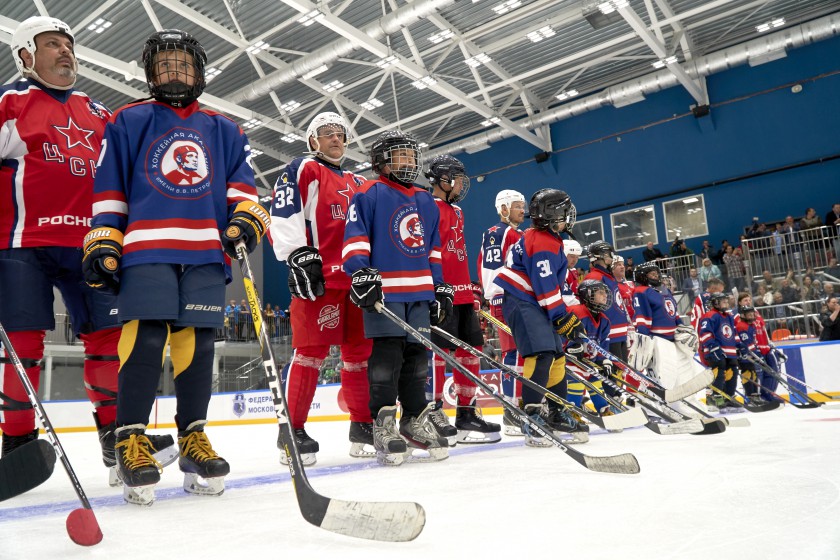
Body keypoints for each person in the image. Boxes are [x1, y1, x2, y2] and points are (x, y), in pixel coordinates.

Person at [82, 29, 266, 504]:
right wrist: (104, 237)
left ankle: (191, 437)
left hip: (205, 251)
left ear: (200, 71)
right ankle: (131, 439)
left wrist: (246, 219)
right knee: (144, 337)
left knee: (198, 344)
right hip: (145, 248)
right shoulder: (128, 120)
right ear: (149, 73)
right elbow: (109, 190)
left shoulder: (225, 128)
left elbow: (242, 190)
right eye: (164, 65)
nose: (174, 72)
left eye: (183, 64)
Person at [0, 17, 177, 482]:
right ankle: (16, 442)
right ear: (24, 55)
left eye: (69, 45)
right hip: (22, 243)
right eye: (52, 45)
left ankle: (115, 436)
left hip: (92, 245)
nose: (65, 52)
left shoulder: (97, 111)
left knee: (107, 340)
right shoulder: (10, 103)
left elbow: (123, 175)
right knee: (23, 343)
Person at [268, 111, 373, 465]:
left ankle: (362, 424)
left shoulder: (359, 181)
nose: (336, 139)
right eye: (327, 133)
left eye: (340, 134)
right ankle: (292, 431)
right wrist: (297, 253)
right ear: (313, 141)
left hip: (355, 280)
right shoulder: (305, 169)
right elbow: (284, 208)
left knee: (359, 356)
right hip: (320, 279)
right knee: (310, 353)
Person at [342, 130, 452, 467]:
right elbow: (355, 239)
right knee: (387, 359)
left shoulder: (425, 201)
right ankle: (383, 423)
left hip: (418, 293)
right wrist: (360, 273)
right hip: (384, 293)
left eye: (410, 156)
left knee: (417, 359)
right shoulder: (369, 193)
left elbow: (433, 250)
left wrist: (440, 288)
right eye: (399, 156)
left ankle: (413, 419)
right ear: (381, 163)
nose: (407, 162)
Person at [493, 189, 589, 446]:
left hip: (531, 301)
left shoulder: (544, 237)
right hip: (523, 302)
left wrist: (563, 316)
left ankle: (557, 412)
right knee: (542, 354)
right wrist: (561, 316)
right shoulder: (543, 242)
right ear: (553, 215)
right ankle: (532, 416)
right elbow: (545, 286)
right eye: (564, 211)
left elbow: (548, 289)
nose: (569, 216)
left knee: (556, 356)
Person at [423, 155, 500, 445]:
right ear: (443, 180)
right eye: (457, 178)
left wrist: (472, 287)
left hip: (463, 293)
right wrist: (434, 287)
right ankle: (432, 413)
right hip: (440, 293)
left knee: (472, 351)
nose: (460, 185)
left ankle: (466, 414)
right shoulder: (427, 207)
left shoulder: (458, 211)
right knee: (439, 353)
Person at [477, 189, 526, 434]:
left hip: (515, 299)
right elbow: (492, 269)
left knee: (523, 353)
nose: (522, 210)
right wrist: (496, 296)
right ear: (504, 208)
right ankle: (511, 410)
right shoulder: (500, 232)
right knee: (513, 353)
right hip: (506, 299)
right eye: (517, 205)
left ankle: (521, 405)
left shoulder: (517, 233)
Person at [628, 262, 705, 414]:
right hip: (658, 340)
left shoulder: (664, 292)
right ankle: (651, 408)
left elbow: (674, 315)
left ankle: (687, 406)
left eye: (657, 273)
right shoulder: (641, 292)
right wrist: (644, 340)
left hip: (674, 340)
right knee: (664, 376)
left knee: (684, 374)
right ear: (643, 277)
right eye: (652, 274)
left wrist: (682, 329)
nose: (656, 277)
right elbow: (642, 318)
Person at [584, 241, 630, 398]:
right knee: (611, 371)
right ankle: (611, 401)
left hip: (620, 332)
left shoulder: (607, 276)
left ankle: (616, 398)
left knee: (620, 370)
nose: (612, 257)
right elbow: (594, 308)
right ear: (602, 257)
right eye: (610, 255)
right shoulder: (594, 277)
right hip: (609, 334)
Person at [563, 280, 616, 418]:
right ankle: (572, 412)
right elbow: (560, 332)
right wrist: (570, 346)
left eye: (605, 293)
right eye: (600, 293)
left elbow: (603, 345)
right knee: (576, 382)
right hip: (570, 361)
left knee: (596, 382)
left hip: (588, 361)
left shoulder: (605, 320)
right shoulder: (575, 312)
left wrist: (604, 360)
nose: (605, 296)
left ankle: (604, 410)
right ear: (588, 295)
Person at [698, 293, 742, 412]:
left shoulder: (728, 316)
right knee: (719, 372)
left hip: (730, 350)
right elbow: (705, 333)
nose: (726, 303)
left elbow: (734, 333)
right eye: (723, 301)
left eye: (726, 301)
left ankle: (728, 397)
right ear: (715, 303)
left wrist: (739, 346)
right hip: (716, 351)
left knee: (732, 372)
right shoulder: (709, 316)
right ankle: (715, 398)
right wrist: (713, 347)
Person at [734, 305, 766, 406]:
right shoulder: (742, 326)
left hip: (750, 355)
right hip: (744, 356)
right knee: (747, 374)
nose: (752, 316)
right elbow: (746, 344)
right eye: (749, 314)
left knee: (753, 374)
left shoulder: (751, 325)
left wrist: (757, 355)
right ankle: (750, 397)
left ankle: (755, 396)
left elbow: (752, 343)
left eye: (753, 314)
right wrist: (756, 355)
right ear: (743, 315)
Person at [562, 239, 583, 306]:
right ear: (563, 254)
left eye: (577, 257)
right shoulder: (560, 273)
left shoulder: (572, 271)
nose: (575, 260)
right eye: (572, 256)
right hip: (569, 312)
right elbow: (567, 299)